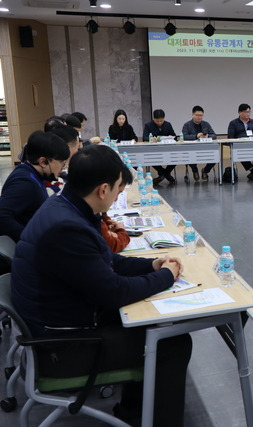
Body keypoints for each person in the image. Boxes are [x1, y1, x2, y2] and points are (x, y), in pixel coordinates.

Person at [11, 144, 192, 426]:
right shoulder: (68, 227)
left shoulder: (67, 207)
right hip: (62, 347)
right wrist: (166, 277)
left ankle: (135, 411)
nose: (121, 193)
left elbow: (108, 262)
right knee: (172, 342)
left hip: (62, 321)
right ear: (103, 189)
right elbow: (113, 292)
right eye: (120, 187)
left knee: (156, 323)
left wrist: (152, 265)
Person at [0, 131, 70, 242]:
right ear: (43, 161)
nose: (63, 167)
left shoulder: (31, 174)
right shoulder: (25, 182)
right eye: (62, 162)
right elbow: (2, 216)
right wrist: (30, 240)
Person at [227, 103, 253, 181]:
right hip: (241, 146)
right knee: (239, 152)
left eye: (249, 112)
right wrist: (239, 139)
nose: (248, 114)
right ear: (240, 112)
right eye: (246, 112)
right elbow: (230, 138)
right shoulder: (233, 123)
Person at [182, 105, 217, 182]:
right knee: (189, 156)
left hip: (206, 149)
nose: (199, 117)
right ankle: (195, 170)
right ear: (192, 115)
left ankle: (205, 171)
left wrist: (208, 136)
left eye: (201, 115)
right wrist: (196, 136)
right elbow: (184, 137)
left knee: (215, 156)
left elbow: (214, 135)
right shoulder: (187, 125)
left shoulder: (206, 124)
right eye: (197, 115)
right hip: (192, 149)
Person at [143, 109, 177, 185]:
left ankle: (162, 176)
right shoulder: (148, 125)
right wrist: (151, 139)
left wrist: (171, 137)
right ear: (153, 118)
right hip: (153, 150)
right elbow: (144, 138)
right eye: (157, 121)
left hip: (167, 150)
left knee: (175, 158)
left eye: (161, 121)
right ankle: (166, 174)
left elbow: (175, 137)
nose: (159, 123)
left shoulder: (168, 124)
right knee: (149, 159)